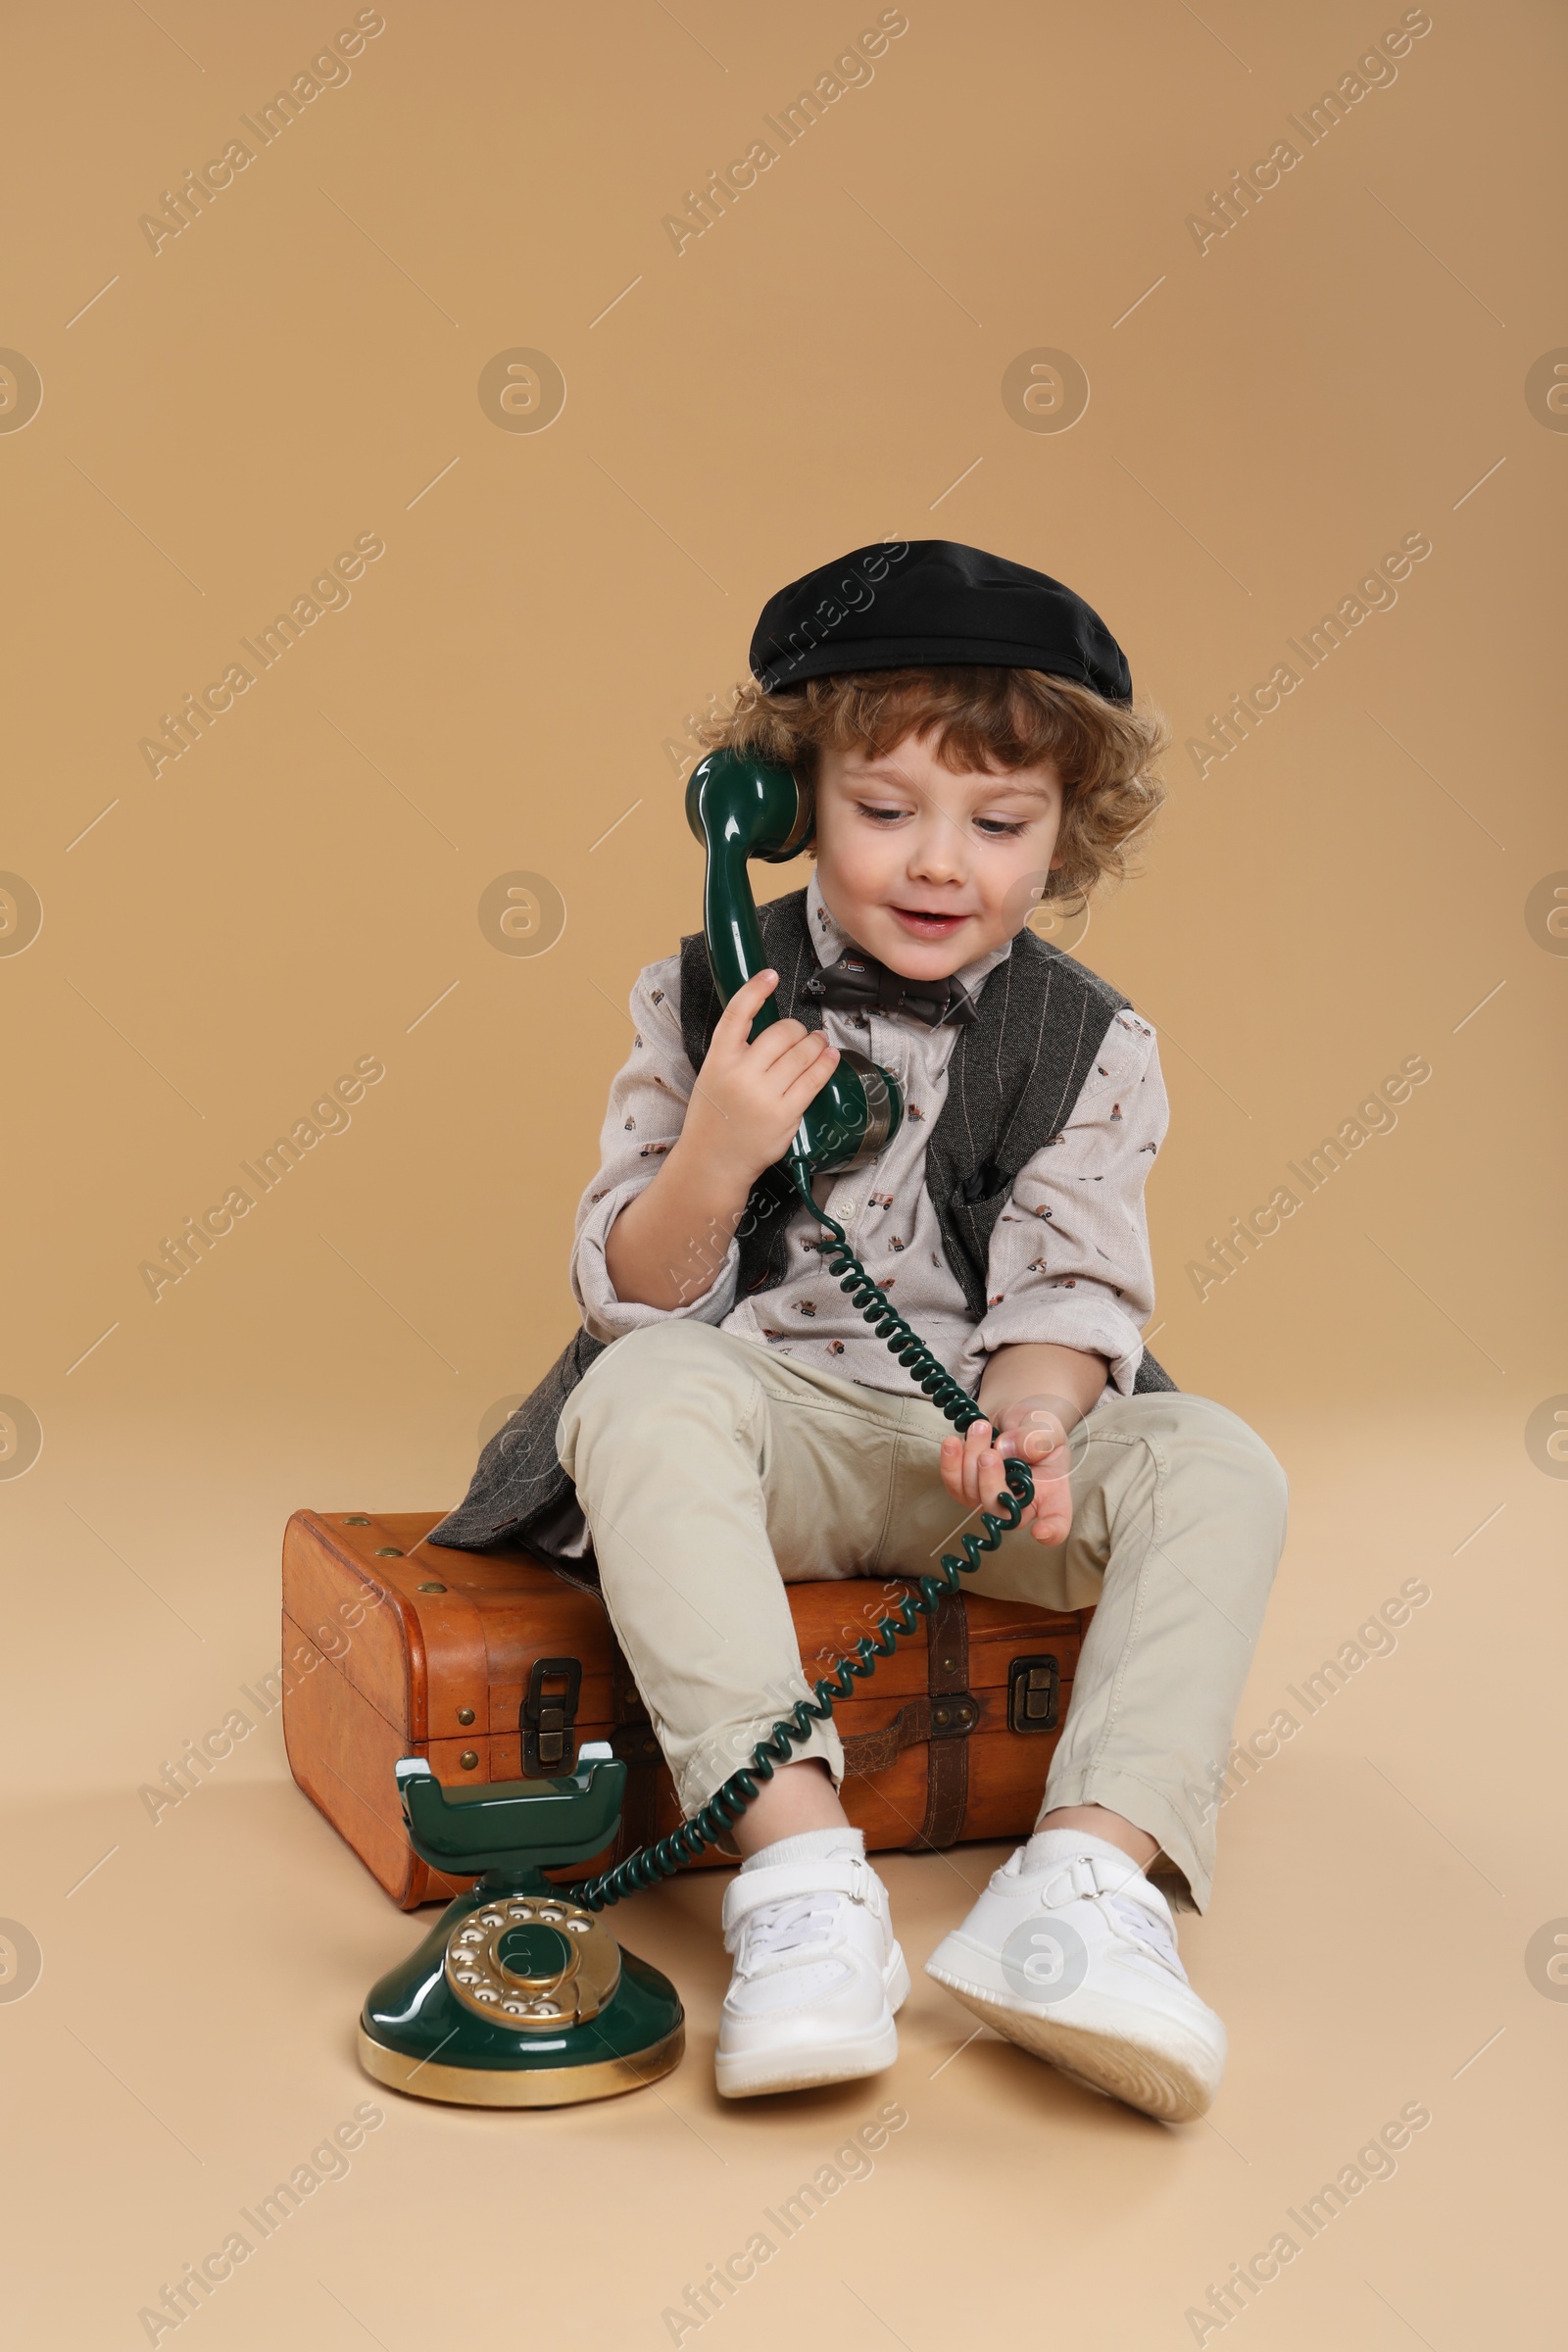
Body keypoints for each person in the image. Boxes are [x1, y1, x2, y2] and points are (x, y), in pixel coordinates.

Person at [428, 539, 1289, 2122]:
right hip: (780, 1433)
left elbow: (1069, 1295)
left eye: (1000, 823)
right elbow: (631, 1287)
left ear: (1064, 840)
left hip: (981, 1457)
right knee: (645, 1391)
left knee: (1221, 1463)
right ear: (779, 804)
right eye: (885, 810)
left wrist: (1034, 1418)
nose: (939, 862)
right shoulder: (703, 994)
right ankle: (805, 1880)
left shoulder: (1092, 1044)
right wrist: (718, 1152)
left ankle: (1086, 1891)